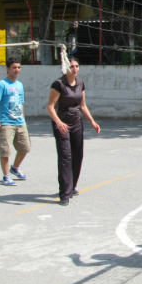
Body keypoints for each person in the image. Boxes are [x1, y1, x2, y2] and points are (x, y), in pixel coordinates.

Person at [47, 56, 101, 205]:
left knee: (78, 155)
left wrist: (92, 121)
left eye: (77, 66)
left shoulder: (80, 84)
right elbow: (50, 106)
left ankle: (72, 187)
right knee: (65, 157)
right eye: (72, 66)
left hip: (76, 123)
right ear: (65, 68)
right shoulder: (58, 84)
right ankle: (64, 194)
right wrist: (58, 122)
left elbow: (82, 106)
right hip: (62, 125)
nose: (75, 69)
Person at [0, 57, 30, 186]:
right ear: (7, 69)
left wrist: (23, 119)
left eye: (18, 67)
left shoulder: (20, 85)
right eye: (14, 67)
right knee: (5, 150)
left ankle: (15, 168)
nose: (17, 70)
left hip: (20, 122)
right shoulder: (2, 84)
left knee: (25, 148)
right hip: (6, 122)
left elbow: (21, 103)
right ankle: (6, 176)